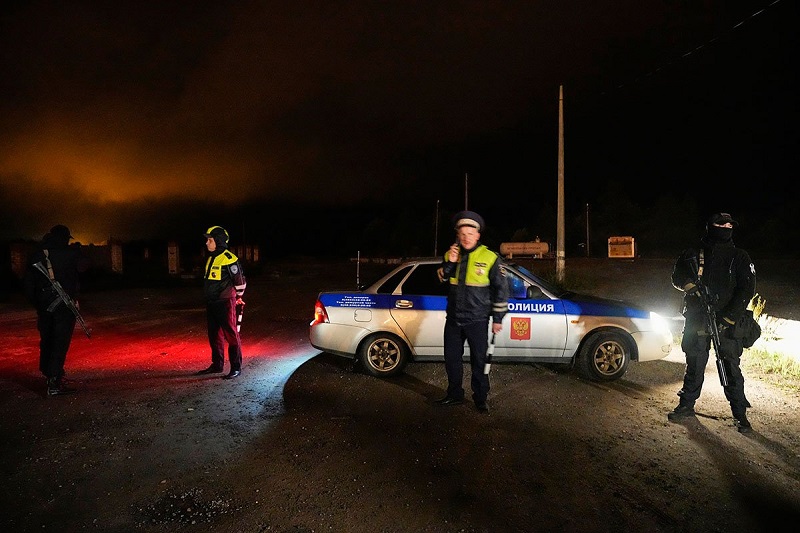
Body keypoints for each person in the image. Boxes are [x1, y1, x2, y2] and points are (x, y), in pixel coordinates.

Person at [668, 212, 756, 433]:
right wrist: (693, 289)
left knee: (730, 367)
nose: (726, 227)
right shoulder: (694, 253)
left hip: (726, 323)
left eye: (729, 224)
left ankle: (740, 414)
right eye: (721, 224)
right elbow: (678, 276)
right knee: (695, 364)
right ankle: (686, 405)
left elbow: (747, 289)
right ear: (710, 226)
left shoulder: (739, 256)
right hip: (698, 317)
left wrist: (728, 319)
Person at [436, 210, 509, 413]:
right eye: (463, 233)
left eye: (471, 233)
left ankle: (480, 398)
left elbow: (501, 290)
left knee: (479, 361)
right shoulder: (450, 255)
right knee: (451, 360)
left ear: (478, 235)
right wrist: (450, 262)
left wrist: (498, 318)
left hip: (477, 320)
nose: (466, 237)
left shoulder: (490, 257)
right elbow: (441, 282)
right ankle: (454, 395)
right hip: (453, 320)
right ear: (458, 235)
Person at [23, 224, 89, 396]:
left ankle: (49, 374)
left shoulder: (38, 253)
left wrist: (38, 303)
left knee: (47, 340)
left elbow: (28, 283)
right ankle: (54, 382)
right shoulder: (70, 253)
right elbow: (84, 267)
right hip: (63, 307)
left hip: (44, 306)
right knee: (60, 342)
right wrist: (78, 250)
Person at [196, 226, 247, 379]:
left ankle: (236, 367)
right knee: (214, 335)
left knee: (231, 335)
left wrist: (238, 297)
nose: (207, 243)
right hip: (212, 303)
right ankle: (217, 365)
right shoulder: (211, 257)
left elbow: (240, 282)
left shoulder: (229, 259)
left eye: (209, 240)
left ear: (218, 241)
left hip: (225, 303)